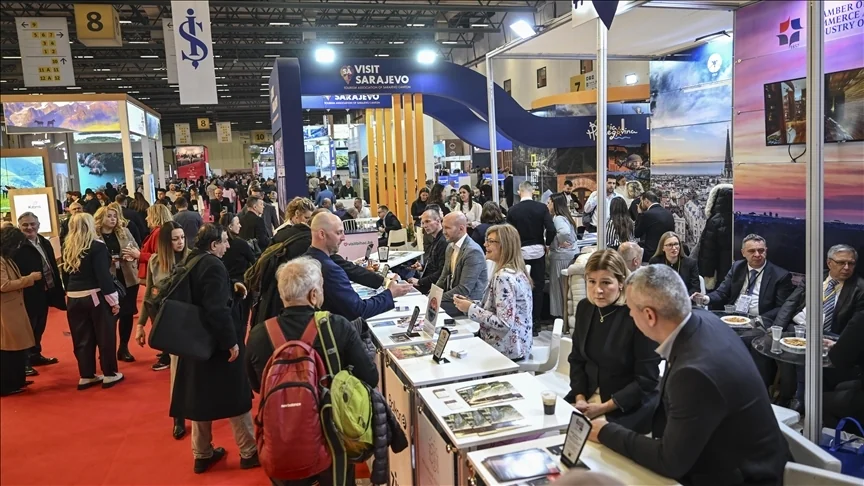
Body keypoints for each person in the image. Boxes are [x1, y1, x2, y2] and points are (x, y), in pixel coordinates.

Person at [589, 264, 788, 486]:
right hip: (746, 456)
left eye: (631, 310)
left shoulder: (693, 373)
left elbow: (669, 461)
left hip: (744, 477)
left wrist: (606, 432)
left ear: (649, 316)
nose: (630, 315)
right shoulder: (705, 321)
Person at [170, 224, 259, 474]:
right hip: (218, 343)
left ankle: (202, 454)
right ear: (213, 245)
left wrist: (233, 289)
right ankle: (249, 451)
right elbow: (217, 309)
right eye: (224, 241)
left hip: (195, 341)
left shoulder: (193, 260)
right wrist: (230, 342)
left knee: (199, 398)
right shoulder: (213, 265)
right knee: (237, 396)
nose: (228, 246)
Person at [565, 250, 660, 434]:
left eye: (606, 282)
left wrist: (603, 408)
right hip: (587, 396)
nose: (597, 290)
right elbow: (576, 359)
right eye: (591, 282)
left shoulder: (636, 315)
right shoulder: (585, 307)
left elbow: (647, 379)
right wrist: (580, 397)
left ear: (621, 283)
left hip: (626, 405)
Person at [135, 221, 189, 437]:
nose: (180, 242)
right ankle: (179, 417)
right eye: (175, 239)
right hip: (169, 323)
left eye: (182, 237)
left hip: (191, 321)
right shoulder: (155, 262)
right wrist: (140, 325)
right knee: (176, 373)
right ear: (166, 241)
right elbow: (149, 294)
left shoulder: (193, 258)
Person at [305, 213, 412, 320]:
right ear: (322, 234)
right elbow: (358, 310)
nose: (343, 238)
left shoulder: (307, 260)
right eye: (338, 233)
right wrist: (390, 294)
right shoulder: (330, 270)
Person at [60, 213, 124, 390]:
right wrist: (114, 301)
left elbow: (65, 276)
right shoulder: (97, 246)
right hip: (94, 295)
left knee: (81, 337)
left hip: (73, 297)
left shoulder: (67, 246)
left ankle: (86, 375)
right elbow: (104, 277)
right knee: (105, 335)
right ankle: (109, 373)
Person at [453, 225, 533, 361]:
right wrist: (472, 304)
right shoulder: (517, 272)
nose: (485, 244)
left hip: (506, 349)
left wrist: (470, 308)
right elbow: (499, 308)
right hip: (520, 344)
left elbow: (504, 323)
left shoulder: (503, 277)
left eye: (490, 241)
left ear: (504, 245)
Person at [690, 234, 794, 320]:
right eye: (752, 251)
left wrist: (759, 320)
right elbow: (722, 292)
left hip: (760, 321)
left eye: (761, 250)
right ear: (743, 253)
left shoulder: (780, 276)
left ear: (766, 251)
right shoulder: (737, 267)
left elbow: (781, 308)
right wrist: (705, 298)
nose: (757, 254)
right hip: (734, 317)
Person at [12, 212, 65, 372]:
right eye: (25, 225)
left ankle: (35, 354)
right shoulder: (17, 246)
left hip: (46, 291)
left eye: (32, 224)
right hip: (27, 293)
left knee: (40, 325)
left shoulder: (43, 241)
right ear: (19, 227)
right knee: (27, 328)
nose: (29, 227)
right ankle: (24, 362)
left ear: (38, 225)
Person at [506, 181, 555, 331]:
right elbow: (551, 229)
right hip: (538, 250)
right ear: (533, 191)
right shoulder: (542, 208)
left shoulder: (512, 210)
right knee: (538, 287)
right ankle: (536, 322)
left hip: (520, 252)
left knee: (521, 287)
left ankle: (523, 321)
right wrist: (547, 244)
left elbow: (509, 234)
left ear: (519, 192)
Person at [0, 227, 39, 396]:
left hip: (12, 308)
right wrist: (30, 279)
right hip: (6, 309)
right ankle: (7, 385)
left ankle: (17, 380)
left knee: (16, 349)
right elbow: (4, 285)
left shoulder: (5, 258)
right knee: (8, 350)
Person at [435, 212, 488, 316]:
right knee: (428, 305)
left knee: (431, 308)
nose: (444, 232)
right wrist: (434, 293)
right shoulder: (450, 247)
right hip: (455, 299)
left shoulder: (473, 252)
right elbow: (443, 277)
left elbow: (463, 290)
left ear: (461, 228)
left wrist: (437, 297)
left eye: (447, 228)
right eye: (443, 227)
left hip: (469, 303)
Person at [823, 310, 864, 430]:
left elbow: (839, 360)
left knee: (819, 401)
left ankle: (845, 437)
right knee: (841, 387)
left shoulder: (861, 319)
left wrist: (838, 348)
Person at [220, 212, 256, 332]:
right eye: (238, 223)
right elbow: (254, 261)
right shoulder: (241, 244)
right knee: (242, 321)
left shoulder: (219, 244)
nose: (240, 226)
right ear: (230, 226)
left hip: (224, 285)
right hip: (242, 286)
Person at [547, 193, 579, 319]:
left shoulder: (558, 218)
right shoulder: (566, 217)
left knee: (558, 288)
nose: (547, 205)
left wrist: (559, 241)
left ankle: (560, 315)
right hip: (568, 255)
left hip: (560, 257)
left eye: (549, 203)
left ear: (555, 204)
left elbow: (564, 232)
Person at [696, 184, 733, 289]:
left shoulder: (714, 221)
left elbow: (708, 252)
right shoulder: (740, 219)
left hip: (719, 271)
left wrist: (708, 277)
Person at [407, 208, 447, 294]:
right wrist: (422, 267)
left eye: (428, 221)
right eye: (423, 223)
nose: (424, 226)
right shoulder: (436, 239)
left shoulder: (443, 241)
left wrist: (419, 282)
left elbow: (442, 272)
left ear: (438, 221)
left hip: (433, 287)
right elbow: (435, 265)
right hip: (428, 282)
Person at [138, 204, 174, 286]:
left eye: (148, 215)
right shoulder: (160, 231)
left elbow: (159, 257)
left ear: (155, 217)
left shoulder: (159, 232)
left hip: (154, 276)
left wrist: (139, 255)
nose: (146, 218)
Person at [634, 191, 675, 262]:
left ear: (646, 201)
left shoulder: (647, 214)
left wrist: (639, 214)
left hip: (651, 255)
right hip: (666, 254)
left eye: (641, 201)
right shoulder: (669, 213)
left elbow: (637, 233)